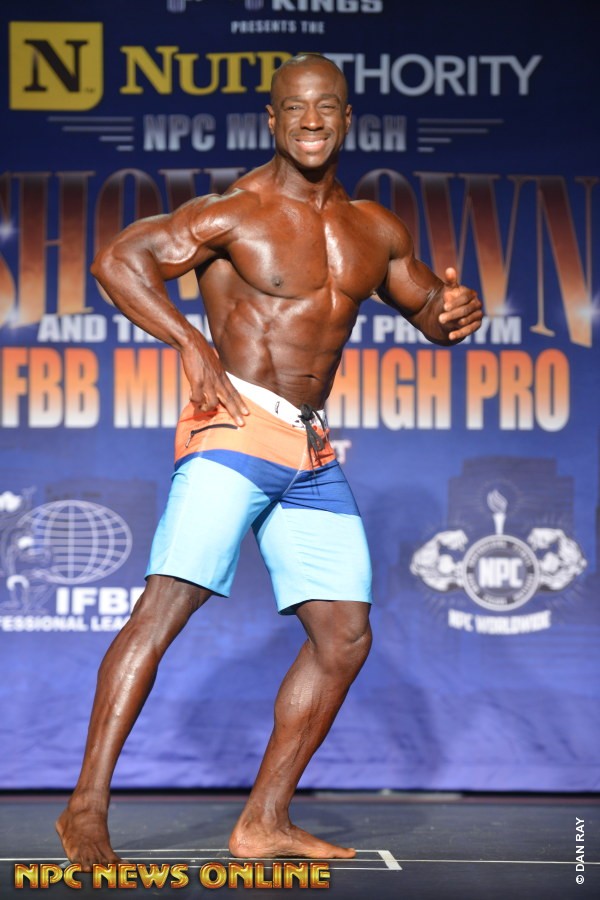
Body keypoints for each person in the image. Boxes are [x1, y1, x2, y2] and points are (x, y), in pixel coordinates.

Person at [56, 53, 483, 869]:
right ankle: (84, 809)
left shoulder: (375, 227)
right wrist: (189, 342)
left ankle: (263, 822)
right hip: (234, 428)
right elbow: (117, 260)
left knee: (344, 636)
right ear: (274, 118)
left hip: (310, 448)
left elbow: (432, 310)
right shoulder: (235, 211)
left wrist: (458, 311)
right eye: (296, 107)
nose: (312, 120)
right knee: (164, 611)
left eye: (327, 107)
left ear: (348, 118)